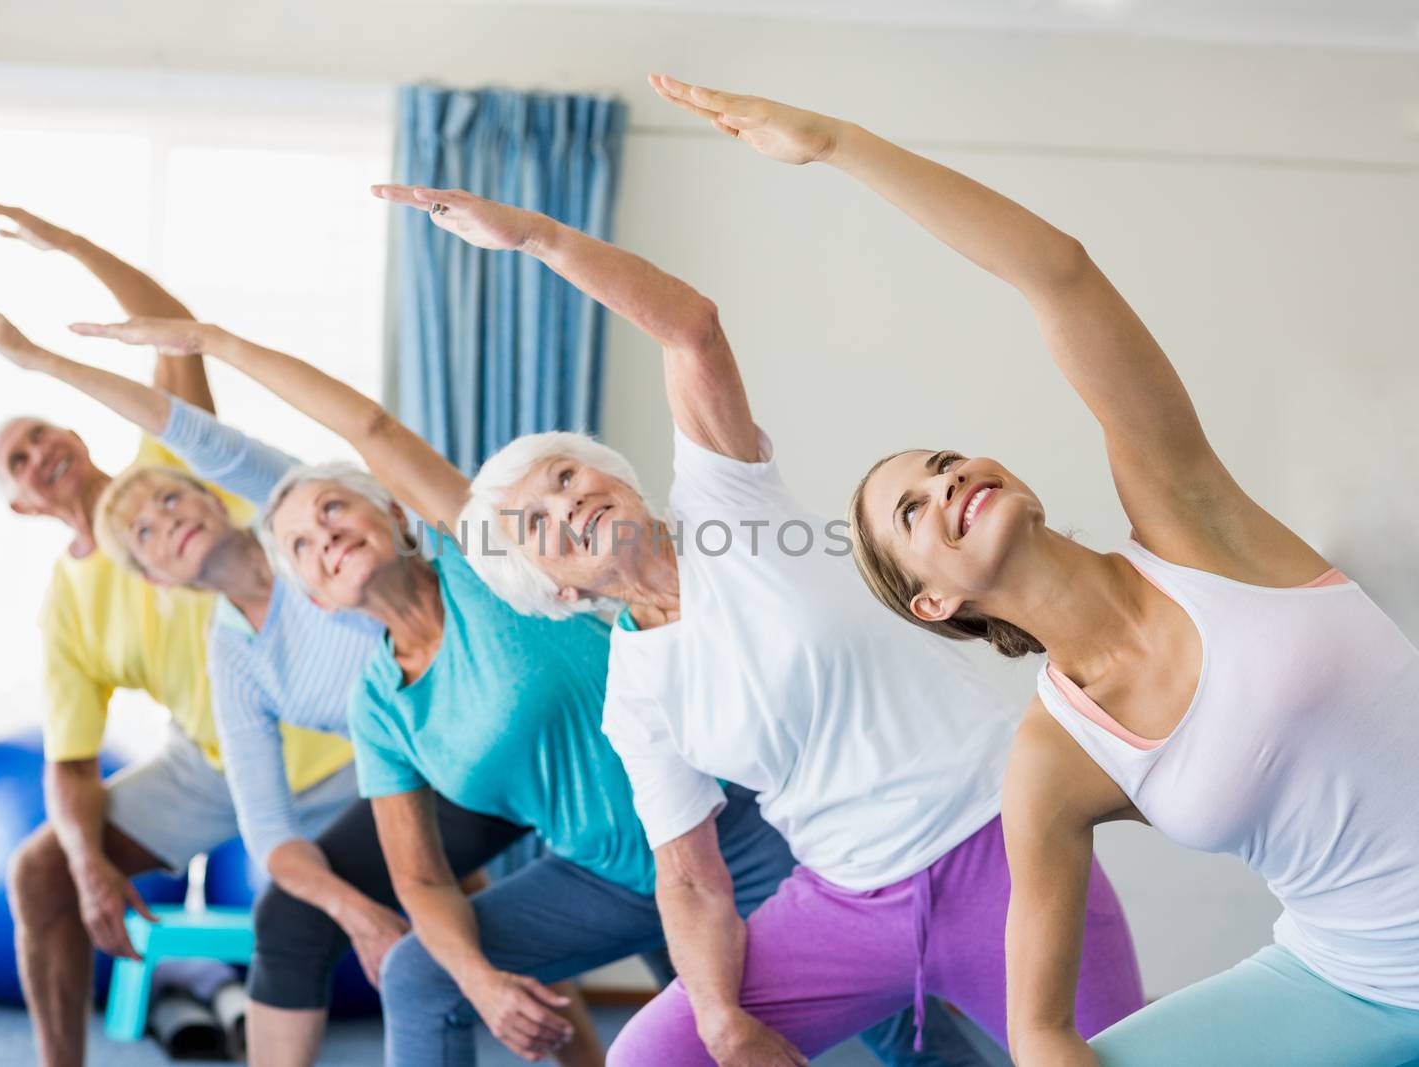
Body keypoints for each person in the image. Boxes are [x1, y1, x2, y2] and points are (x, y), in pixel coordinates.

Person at [650, 71, 1419, 1067]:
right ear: (934, 599)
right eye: (913, 510)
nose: (947, 482)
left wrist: (836, 143)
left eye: (942, 463)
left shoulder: (1193, 522)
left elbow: (1056, 272)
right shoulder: (1051, 758)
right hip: (1344, 979)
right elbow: (1040, 1030)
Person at [361, 140, 1145, 1061]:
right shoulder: (637, 692)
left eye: (567, 475)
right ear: (551, 588)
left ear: (615, 475)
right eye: (536, 522)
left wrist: (533, 236)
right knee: (657, 1052)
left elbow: (689, 326)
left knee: (1133, 1055)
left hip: (1004, 844)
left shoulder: (729, 505)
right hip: (853, 897)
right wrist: (726, 1023)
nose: (565, 503)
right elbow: (690, 883)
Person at [68, 314, 969, 1066]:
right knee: (426, 969)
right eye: (300, 546)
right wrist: (482, 979)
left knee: (884, 1013)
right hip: (604, 871)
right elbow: (420, 879)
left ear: (389, 514)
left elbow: (372, 431)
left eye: (335, 509)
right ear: (311, 595)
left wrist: (217, 345)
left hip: (727, 833)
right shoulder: (381, 707)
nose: (324, 538)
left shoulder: (487, 563)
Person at [0, 295, 606, 1067]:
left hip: (495, 728)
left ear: (213, 496)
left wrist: (45, 359)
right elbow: (262, 832)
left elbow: (195, 428)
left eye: (172, 497)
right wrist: (359, 913)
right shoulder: (235, 650)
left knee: (546, 904)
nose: (164, 519)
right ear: (154, 576)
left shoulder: (300, 527)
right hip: (417, 760)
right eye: (145, 534)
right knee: (332, 920)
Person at [0, 202, 359, 1067]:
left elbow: (175, 335)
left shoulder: (167, 465)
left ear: (76, 430)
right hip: (216, 761)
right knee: (40, 872)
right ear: (22, 502)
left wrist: (67, 245)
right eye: (16, 461)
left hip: (337, 738)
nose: (37, 454)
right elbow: (69, 762)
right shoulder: (66, 603)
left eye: (39, 433)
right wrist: (88, 862)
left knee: (460, 895)